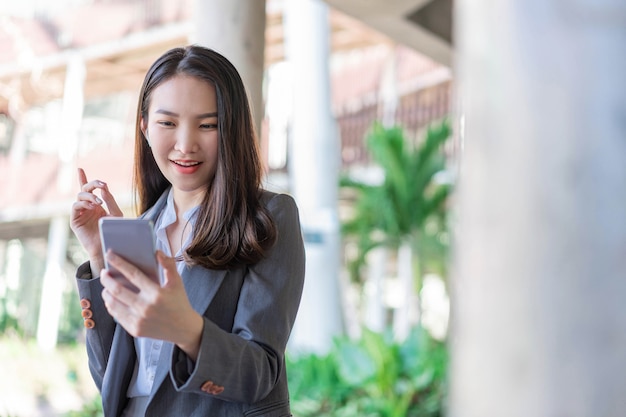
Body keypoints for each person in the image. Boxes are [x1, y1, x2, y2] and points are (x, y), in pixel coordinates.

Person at [70, 45, 306, 417]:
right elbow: (109, 381)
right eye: (168, 123)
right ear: (145, 128)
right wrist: (101, 257)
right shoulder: (143, 230)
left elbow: (260, 376)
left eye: (207, 124)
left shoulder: (267, 217)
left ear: (231, 129)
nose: (185, 144)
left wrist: (188, 331)